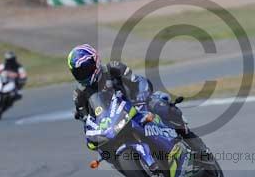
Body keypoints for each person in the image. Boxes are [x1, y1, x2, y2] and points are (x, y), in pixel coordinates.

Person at [68, 43, 208, 155]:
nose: (83, 74)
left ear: (96, 62)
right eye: (78, 72)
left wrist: (141, 95)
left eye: (86, 69)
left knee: (159, 104)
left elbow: (138, 81)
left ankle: (190, 139)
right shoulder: (80, 94)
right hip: (114, 124)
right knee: (102, 149)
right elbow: (86, 120)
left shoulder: (113, 69)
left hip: (137, 106)